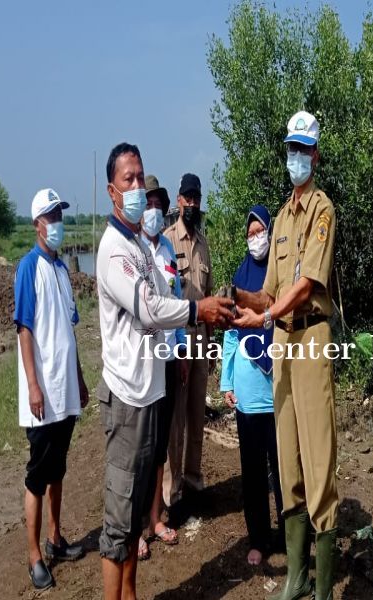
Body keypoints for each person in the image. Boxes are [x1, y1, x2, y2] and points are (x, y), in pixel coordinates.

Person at [96, 143, 233, 600]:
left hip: (151, 391)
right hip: (127, 398)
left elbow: (167, 292)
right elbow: (151, 307)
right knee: (118, 520)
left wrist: (207, 310)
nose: (137, 187)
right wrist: (201, 308)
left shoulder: (140, 246)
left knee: (136, 513)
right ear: (112, 191)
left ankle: (130, 593)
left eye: (141, 177)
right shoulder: (115, 249)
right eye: (128, 180)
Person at [233, 110, 339, 600]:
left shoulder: (322, 210)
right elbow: (271, 289)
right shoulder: (277, 218)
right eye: (290, 148)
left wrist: (266, 312)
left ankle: (321, 588)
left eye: (303, 149)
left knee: (319, 457)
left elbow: (305, 285)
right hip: (281, 342)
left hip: (310, 337)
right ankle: (296, 578)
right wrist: (235, 302)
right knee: (289, 458)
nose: (296, 157)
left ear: (315, 154)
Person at [13, 188, 89, 590]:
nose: (57, 222)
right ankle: (34, 555)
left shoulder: (61, 271)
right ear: (37, 224)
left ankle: (56, 538)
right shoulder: (29, 267)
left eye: (60, 214)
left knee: (58, 467)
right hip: (43, 393)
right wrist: (33, 385)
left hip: (65, 391)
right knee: (37, 476)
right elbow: (25, 328)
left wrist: (78, 377)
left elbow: (68, 332)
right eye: (51, 216)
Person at [220, 205, 284, 566]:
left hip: (277, 390)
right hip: (247, 391)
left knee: (285, 469)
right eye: (250, 234)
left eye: (260, 231)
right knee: (254, 472)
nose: (255, 239)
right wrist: (227, 380)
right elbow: (231, 336)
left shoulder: (279, 278)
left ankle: (289, 531)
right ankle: (259, 538)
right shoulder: (240, 278)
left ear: (271, 233)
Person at [136, 174, 187, 559]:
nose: (154, 209)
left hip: (168, 357)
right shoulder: (133, 249)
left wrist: (183, 352)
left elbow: (179, 300)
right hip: (143, 362)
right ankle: (135, 526)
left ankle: (155, 517)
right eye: (148, 202)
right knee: (140, 446)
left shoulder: (169, 249)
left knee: (160, 448)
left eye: (158, 203)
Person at [162, 172, 213, 521]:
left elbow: (208, 298)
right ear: (178, 200)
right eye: (187, 197)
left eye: (196, 197)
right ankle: (172, 490)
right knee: (175, 420)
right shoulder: (167, 242)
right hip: (179, 341)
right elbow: (166, 299)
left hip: (202, 340)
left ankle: (194, 482)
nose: (192, 203)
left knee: (197, 415)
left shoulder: (205, 244)